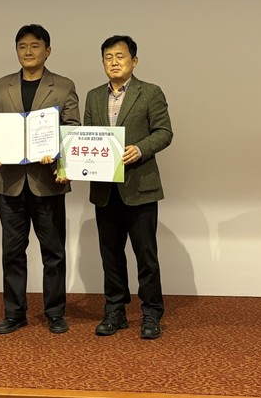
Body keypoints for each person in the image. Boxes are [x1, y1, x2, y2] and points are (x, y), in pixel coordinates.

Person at [0, 24, 80, 335]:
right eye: (22, 46)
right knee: (12, 252)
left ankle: (55, 313)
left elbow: (72, 129)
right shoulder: (2, 86)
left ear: (47, 51)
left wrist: (56, 153)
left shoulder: (63, 86)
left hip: (47, 181)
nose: (28, 51)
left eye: (35, 46)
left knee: (53, 252)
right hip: (10, 182)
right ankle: (14, 313)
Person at [83, 34, 173, 340]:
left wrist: (141, 149)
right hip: (105, 189)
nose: (114, 62)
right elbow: (86, 137)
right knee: (110, 254)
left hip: (140, 187)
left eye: (120, 56)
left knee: (146, 254)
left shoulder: (150, 92)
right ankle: (115, 311)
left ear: (134, 61)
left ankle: (151, 313)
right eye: (108, 57)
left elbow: (164, 132)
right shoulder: (94, 96)